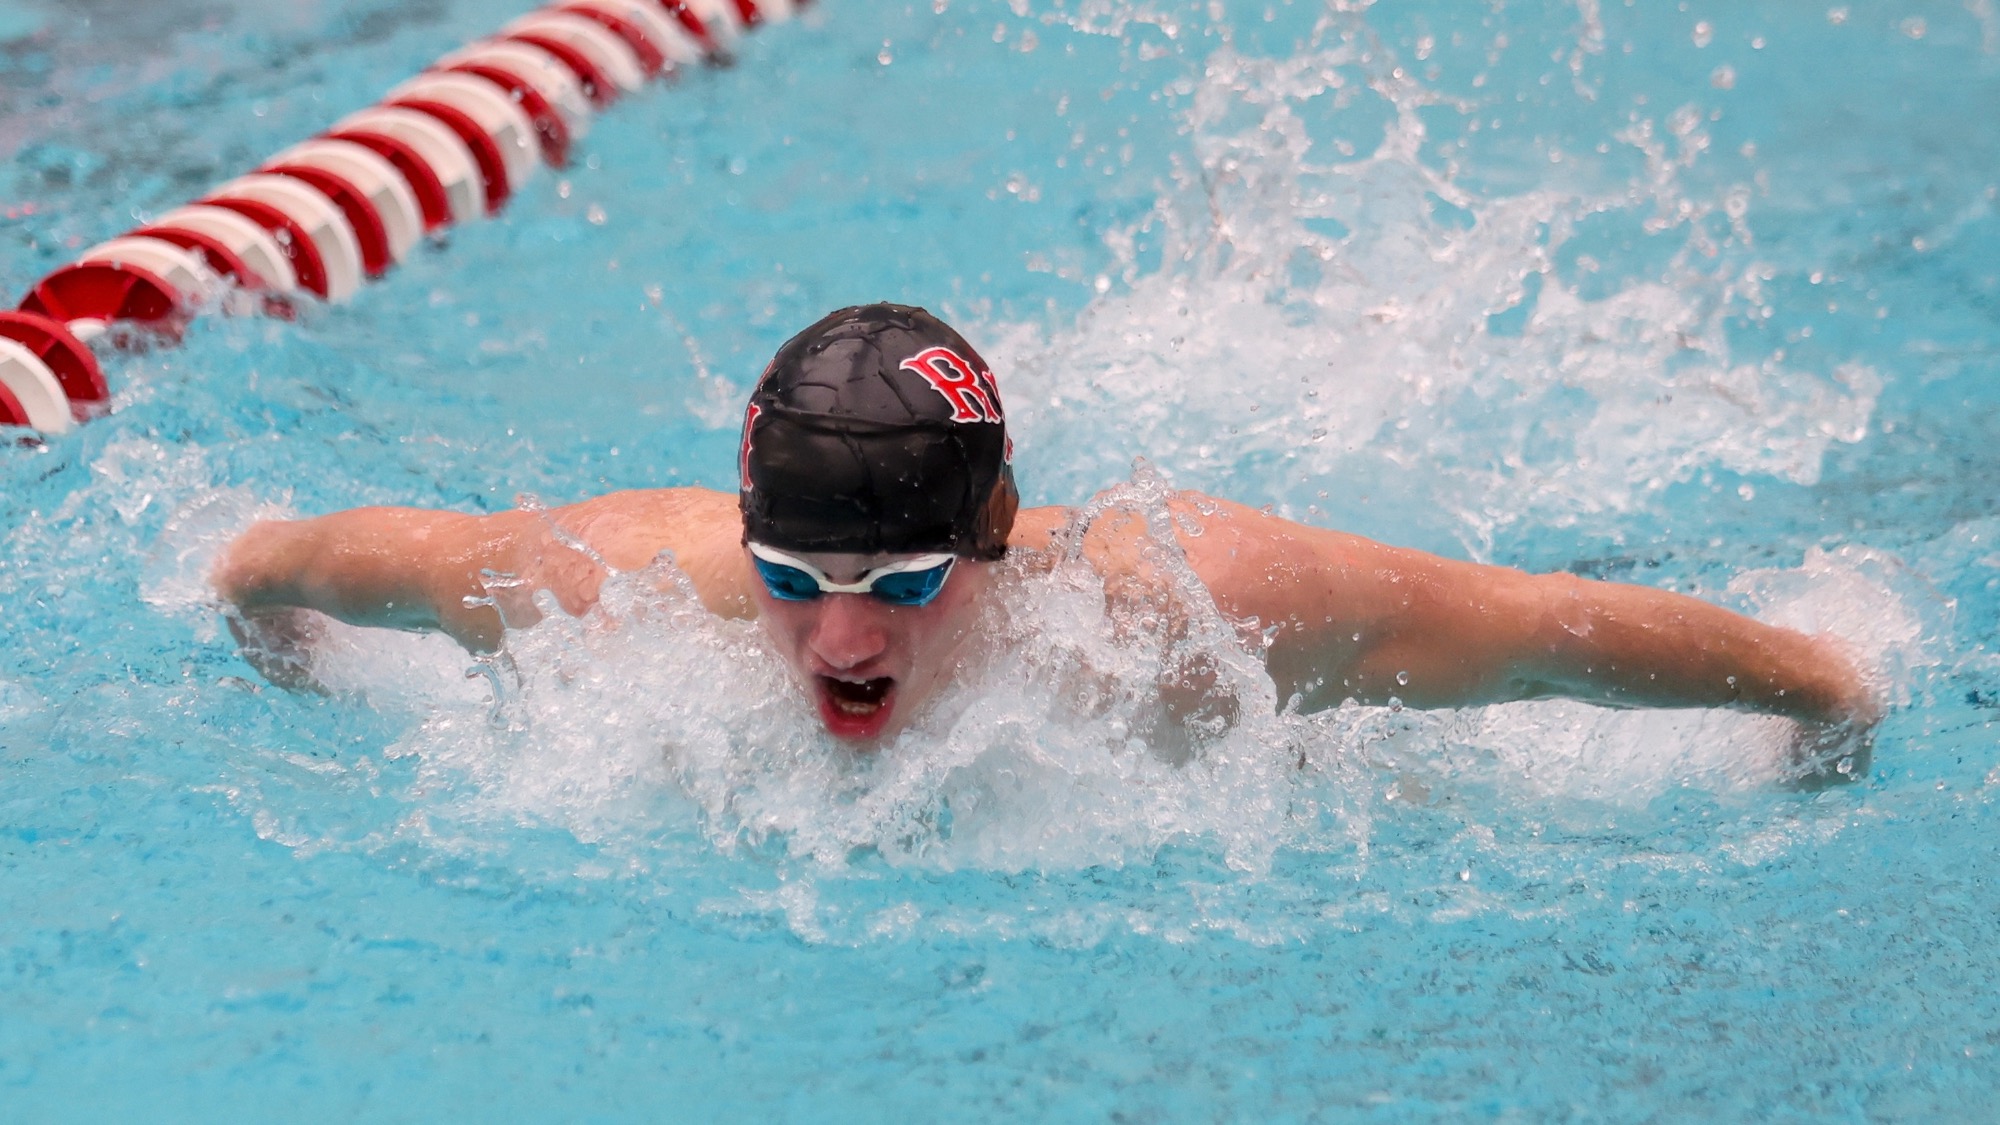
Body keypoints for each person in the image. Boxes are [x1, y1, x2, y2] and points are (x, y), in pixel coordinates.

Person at [211, 303, 1880, 774]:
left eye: (903, 584)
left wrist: (1828, 683)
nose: (841, 642)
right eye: (795, 585)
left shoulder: (1200, 608)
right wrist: (252, 602)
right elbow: (325, 561)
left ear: (993, 535)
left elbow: (1531, 627)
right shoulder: (623, 580)